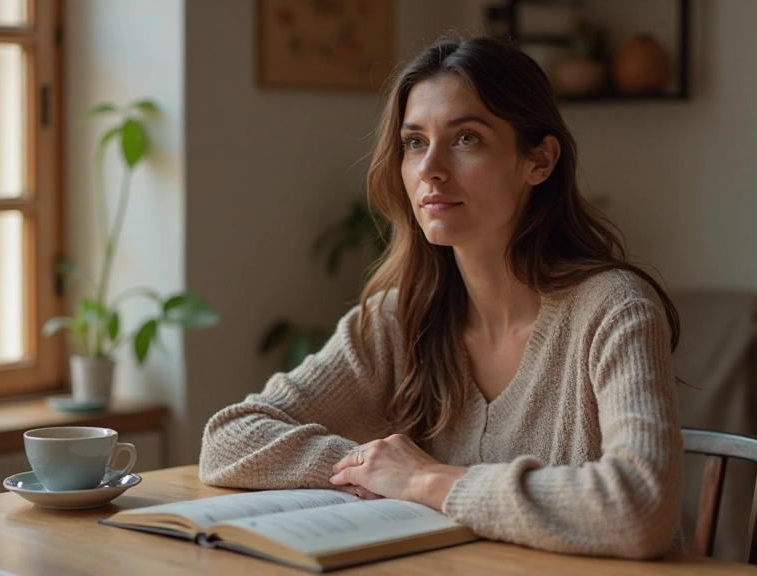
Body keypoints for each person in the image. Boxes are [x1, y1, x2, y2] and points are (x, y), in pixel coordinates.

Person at [199, 35, 683, 560]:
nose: (430, 167)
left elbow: (642, 510)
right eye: (413, 142)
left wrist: (428, 480)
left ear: (539, 160)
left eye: (466, 138)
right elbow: (228, 438)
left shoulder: (614, 308)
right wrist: (375, 465)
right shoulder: (398, 316)